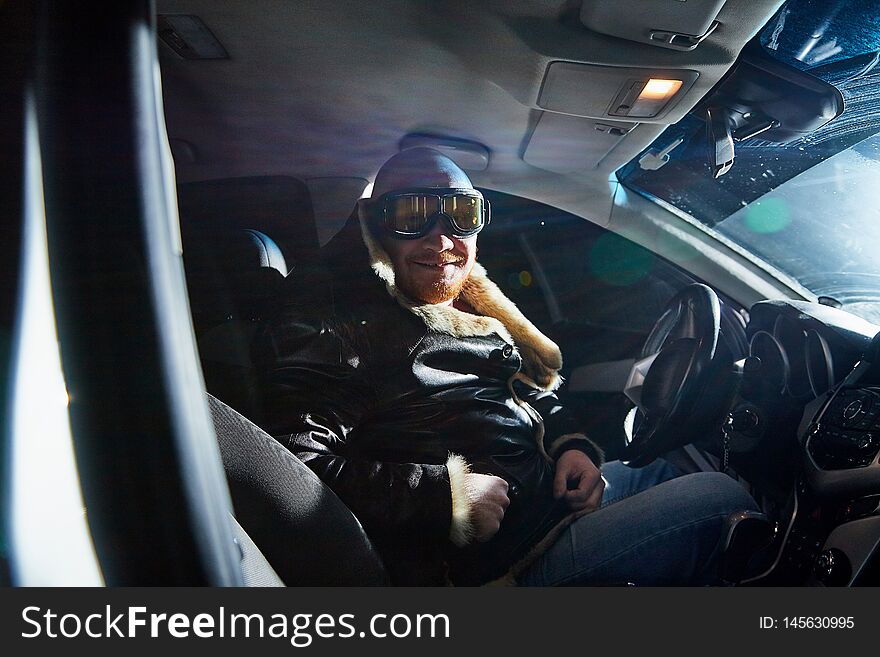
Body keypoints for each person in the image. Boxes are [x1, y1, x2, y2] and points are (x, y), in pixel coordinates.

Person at [255, 147, 757, 586]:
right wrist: (442, 498)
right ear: (374, 226)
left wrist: (571, 447)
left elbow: (523, 388)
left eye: (460, 214)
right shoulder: (337, 324)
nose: (441, 239)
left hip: (548, 499)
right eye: (411, 215)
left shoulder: (460, 303)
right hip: (500, 564)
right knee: (720, 496)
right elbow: (286, 465)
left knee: (662, 472)